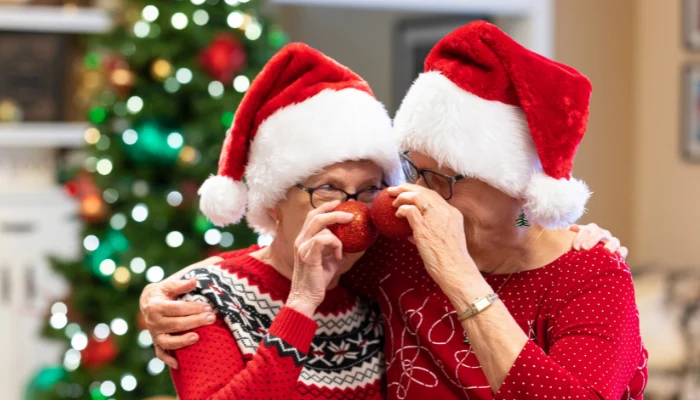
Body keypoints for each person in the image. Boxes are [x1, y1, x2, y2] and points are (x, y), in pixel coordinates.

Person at [140, 23, 641, 399]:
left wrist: (461, 278)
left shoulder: (592, 273)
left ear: (515, 187)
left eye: (442, 178)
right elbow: (290, 256)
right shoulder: (400, 251)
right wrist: (164, 292)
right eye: (412, 172)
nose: (419, 195)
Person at [164, 43, 403, 399]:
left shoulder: (376, 289)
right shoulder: (208, 297)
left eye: (369, 190)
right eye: (328, 188)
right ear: (274, 201)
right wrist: (302, 302)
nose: (350, 209)